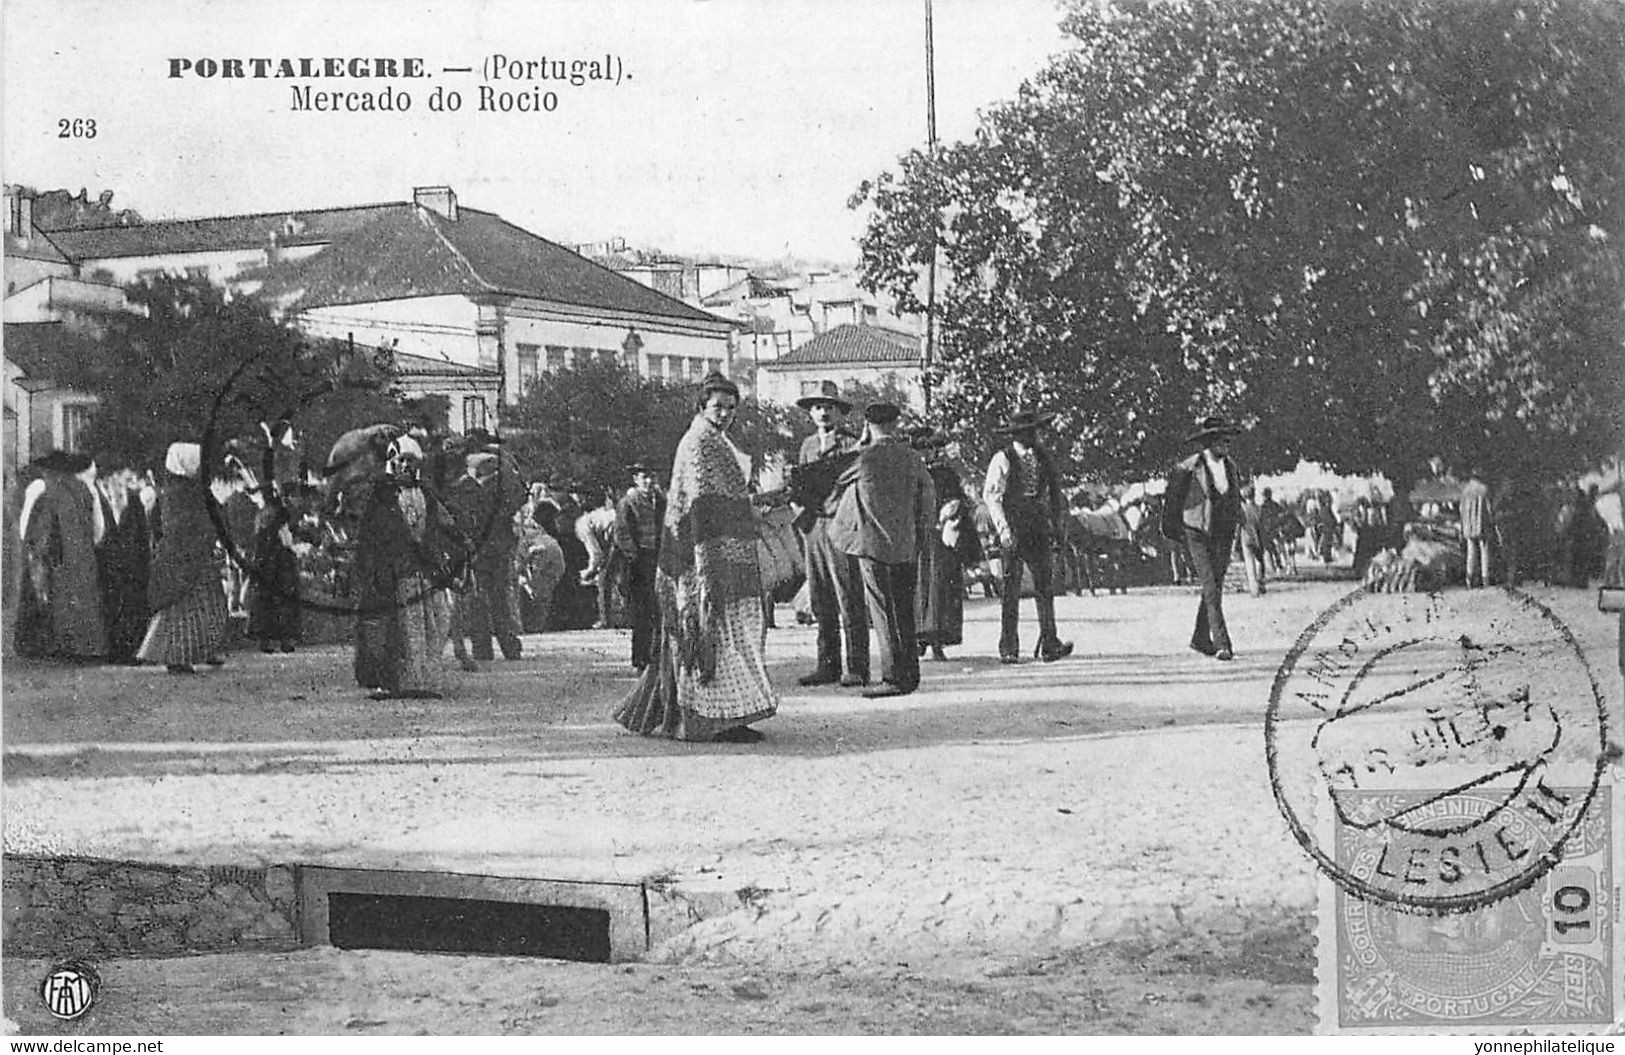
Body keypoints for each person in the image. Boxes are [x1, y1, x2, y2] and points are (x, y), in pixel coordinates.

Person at [614, 373, 778, 742]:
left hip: (719, 552)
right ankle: (708, 720)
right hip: (700, 557)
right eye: (718, 406)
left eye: (731, 408)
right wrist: (710, 558)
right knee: (710, 636)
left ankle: (720, 717)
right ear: (701, 406)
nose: (725, 414)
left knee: (723, 636)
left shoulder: (715, 441)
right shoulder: (700, 443)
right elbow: (703, 507)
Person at [825, 405, 935, 697]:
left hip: (872, 547)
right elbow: (928, 499)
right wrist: (920, 537)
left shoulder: (864, 459)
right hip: (906, 545)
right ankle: (910, 675)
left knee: (882, 612)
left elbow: (835, 490)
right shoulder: (912, 458)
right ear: (896, 424)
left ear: (867, 425)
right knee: (904, 611)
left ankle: (892, 678)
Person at [352, 435, 461, 699]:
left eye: (412, 461)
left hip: (426, 568)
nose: (407, 466)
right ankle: (405, 680)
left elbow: (444, 523)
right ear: (393, 461)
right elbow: (369, 536)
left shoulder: (425, 491)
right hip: (395, 571)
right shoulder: (382, 494)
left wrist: (460, 545)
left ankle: (424, 677)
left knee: (437, 622)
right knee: (403, 628)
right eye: (402, 460)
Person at [792, 380, 869, 687]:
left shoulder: (851, 444)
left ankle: (857, 667)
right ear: (811, 413)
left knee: (848, 595)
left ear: (840, 413)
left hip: (840, 524)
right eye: (817, 407)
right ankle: (828, 665)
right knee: (820, 598)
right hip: (813, 526)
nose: (823, 412)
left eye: (829, 407)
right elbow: (800, 485)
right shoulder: (808, 446)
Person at [982, 410, 1074, 664]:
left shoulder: (1043, 457)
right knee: (1011, 589)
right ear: (1016, 435)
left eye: (1035, 431)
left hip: (1037, 525)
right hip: (1014, 526)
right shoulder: (1003, 458)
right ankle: (1008, 647)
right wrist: (1004, 530)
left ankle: (1050, 643)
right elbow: (992, 497)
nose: (1033, 436)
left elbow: (1055, 494)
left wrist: (1056, 526)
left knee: (1045, 586)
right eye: (1028, 432)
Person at [138, 443, 228, 673]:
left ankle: (203, 651)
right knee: (183, 610)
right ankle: (178, 658)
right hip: (182, 556)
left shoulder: (190, 488)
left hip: (195, 554)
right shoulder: (178, 492)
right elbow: (180, 525)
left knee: (207, 606)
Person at [1161, 415, 1245, 661]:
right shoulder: (1187, 468)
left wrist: (1237, 523)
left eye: (1228, 441)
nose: (1226, 445)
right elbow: (1172, 503)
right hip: (1195, 532)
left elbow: (1234, 499)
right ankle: (1222, 643)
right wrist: (1174, 534)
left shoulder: (1231, 467)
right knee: (1210, 585)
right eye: (1221, 440)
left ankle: (1200, 638)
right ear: (1208, 442)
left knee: (1214, 587)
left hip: (1223, 533)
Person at [20, 451, 107, 660]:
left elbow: (27, 526)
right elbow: (99, 529)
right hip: (83, 554)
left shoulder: (41, 487)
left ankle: (53, 645)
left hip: (53, 554)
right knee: (83, 599)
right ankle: (86, 647)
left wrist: (30, 549)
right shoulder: (85, 489)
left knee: (49, 597)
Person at [911, 427, 979, 661]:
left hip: (940, 537)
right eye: (919, 449)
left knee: (940, 587)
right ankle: (917, 638)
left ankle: (937, 640)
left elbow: (959, 500)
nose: (924, 454)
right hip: (916, 536)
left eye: (928, 449)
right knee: (916, 587)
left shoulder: (945, 474)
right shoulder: (908, 473)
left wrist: (950, 513)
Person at [97, 464, 152, 664]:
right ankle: (113, 650)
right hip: (108, 564)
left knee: (131, 607)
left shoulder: (134, 499)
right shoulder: (97, 495)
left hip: (132, 564)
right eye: (125, 477)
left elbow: (142, 535)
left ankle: (129, 651)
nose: (129, 482)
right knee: (111, 607)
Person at [615, 462, 665, 672]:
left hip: (657, 558)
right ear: (635, 479)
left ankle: (657, 658)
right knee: (641, 612)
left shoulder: (660, 501)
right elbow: (622, 534)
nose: (649, 481)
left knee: (658, 609)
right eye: (644, 477)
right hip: (637, 562)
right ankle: (640, 660)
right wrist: (634, 556)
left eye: (652, 476)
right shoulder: (628, 502)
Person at [1459, 468, 1493, 588]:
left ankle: (1469, 579)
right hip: (1481, 525)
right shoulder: (1484, 490)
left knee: (1470, 552)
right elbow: (1488, 509)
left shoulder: (1465, 490)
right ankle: (1485, 579)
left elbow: (1461, 509)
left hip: (1468, 525)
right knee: (1484, 551)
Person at [1237, 485, 1267, 596]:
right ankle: (1261, 583)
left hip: (1246, 538)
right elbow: (1263, 526)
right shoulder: (1259, 509)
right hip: (1258, 538)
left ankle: (1254, 589)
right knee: (1260, 562)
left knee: (1250, 563)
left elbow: (1239, 526)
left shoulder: (1242, 510)